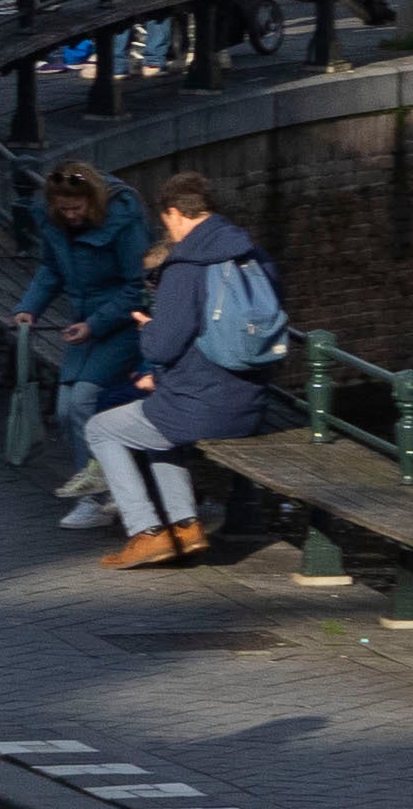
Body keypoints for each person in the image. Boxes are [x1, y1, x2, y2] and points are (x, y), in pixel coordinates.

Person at [69, 188, 274, 570]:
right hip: (251, 403)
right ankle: (185, 525)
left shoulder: (186, 266)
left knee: (102, 428)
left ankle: (144, 530)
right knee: (155, 427)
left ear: (176, 214)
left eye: (166, 223)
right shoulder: (253, 257)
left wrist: (148, 329)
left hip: (203, 404)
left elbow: (161, 348)